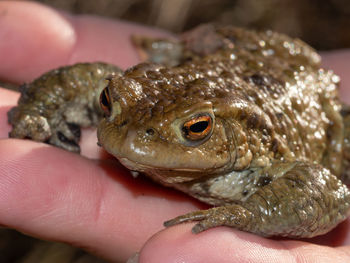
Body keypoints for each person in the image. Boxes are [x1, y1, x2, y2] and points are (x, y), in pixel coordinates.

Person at [1, 1, 350, 262]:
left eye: (194, 129)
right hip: (226, 67)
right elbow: (93, 80)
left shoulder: (255, 164)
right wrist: (40, 112)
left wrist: (253, 214)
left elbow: (326, 189)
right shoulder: (135, 88)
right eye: (111, 105)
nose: (136, 138)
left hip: (305, 99)